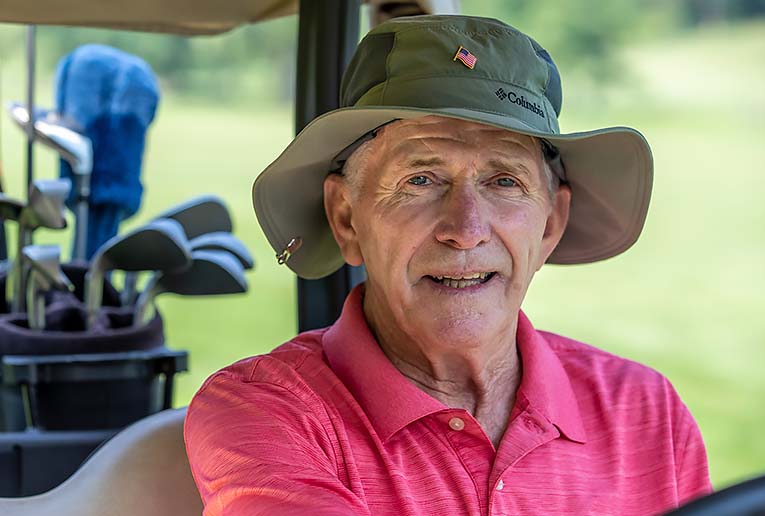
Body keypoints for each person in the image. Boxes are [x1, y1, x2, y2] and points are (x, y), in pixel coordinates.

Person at [185, 15, 712, 515]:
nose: (465, 228)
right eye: (420, 179)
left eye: (504, 181)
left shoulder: (645, 412)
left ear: (551, 223)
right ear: (346, 218)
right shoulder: (268, 409)